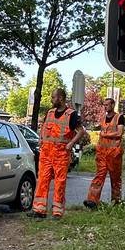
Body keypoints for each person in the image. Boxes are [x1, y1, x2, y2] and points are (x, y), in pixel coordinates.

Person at [33, 88, 88, 219]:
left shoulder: (71, 114)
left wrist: (71, 143)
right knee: (42, 180)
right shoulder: (50, 112)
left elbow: (81, 131)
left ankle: (57, 212)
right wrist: (41, 138)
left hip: (61, 154)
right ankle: (39, 211)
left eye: (53, 97)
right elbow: (43, 127)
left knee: (59, 182)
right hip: (46, 153)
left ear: (61, 98)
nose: (52, 100)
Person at [85, 98, 125, 208]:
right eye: (104, 105)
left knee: (115, 179)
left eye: (107, 104)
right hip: (102, 154)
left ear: (113, 105)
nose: (105, 107)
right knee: (99, 176)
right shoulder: (103, 118)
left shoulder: (119, 118)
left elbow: (119, 133)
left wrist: (106, 135)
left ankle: (116, 202)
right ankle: (92, 201)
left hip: (114, 154)